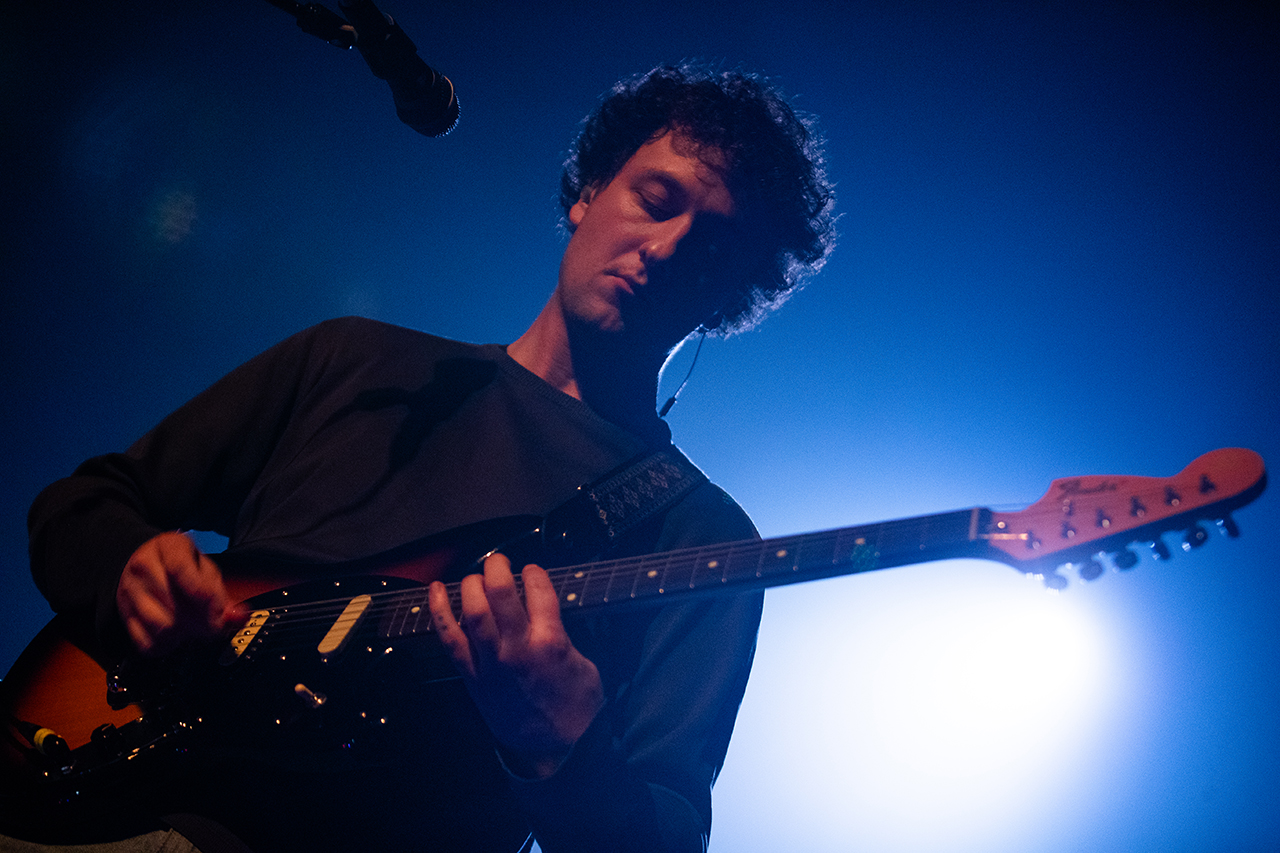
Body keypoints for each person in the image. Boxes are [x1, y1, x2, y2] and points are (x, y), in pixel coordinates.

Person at [8, 63, 835, 852]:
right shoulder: (358, 362)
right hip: (78, 795)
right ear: (588, 193)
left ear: (731, 300)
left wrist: (565, 745)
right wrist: (132, 573)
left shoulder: (702, 536)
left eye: (715, 249)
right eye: (655, 200)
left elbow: (664, 834)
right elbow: (81, 505)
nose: (667, 248)